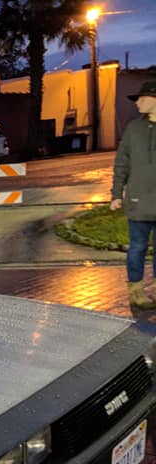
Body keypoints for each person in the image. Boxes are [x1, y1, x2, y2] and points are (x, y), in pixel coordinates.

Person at [111, 79, 156, 309]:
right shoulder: (133, 128)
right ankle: (136, 292)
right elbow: (122, 163)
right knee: (137, 248)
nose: (137, 102)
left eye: (141, 98)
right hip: (139, 202)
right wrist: (116, 193)